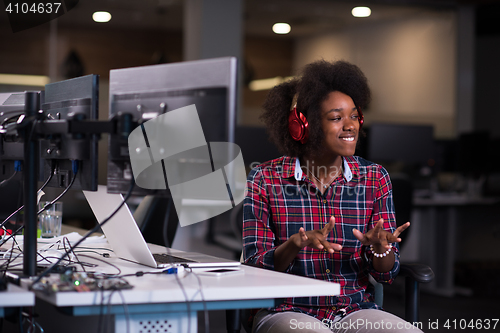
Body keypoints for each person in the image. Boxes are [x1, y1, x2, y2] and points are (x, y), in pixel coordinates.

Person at [243, 60, 422, 333]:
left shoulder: (375, 177)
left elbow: (385, 274)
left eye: (354, 116)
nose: (350, 126)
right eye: (337, 118)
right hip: (286, 309)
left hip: (353, 308)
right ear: (303, 126)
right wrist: (294, 245)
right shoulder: (265, 179)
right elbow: (254, 270)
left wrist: (380, 249)